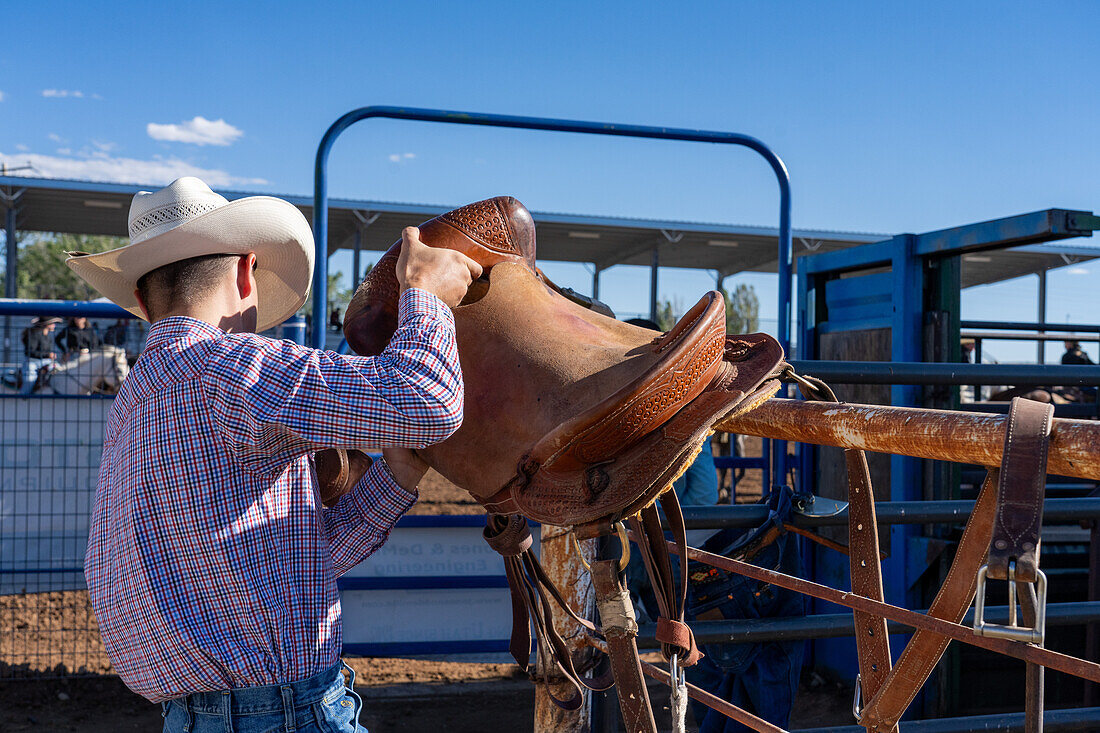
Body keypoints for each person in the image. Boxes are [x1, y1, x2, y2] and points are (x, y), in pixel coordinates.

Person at [67, 177, 481, 733]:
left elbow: (291, 567)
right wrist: (425, 294)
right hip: (284, 713)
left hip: (195, 717)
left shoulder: (136, 402)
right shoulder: (227, 368)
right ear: (246, 271)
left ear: (142, 301)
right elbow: (427, 400)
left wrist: (397, 476)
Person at [19, 316, 61, 393]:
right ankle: (24, 396)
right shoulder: (34, 335)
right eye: (52, 323)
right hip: (32, 362)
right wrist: (48, 355)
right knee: (30, 379)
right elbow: (30, 352)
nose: (54, 325)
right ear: (46, 324)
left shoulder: (48, 337)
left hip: (46, 362)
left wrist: (49, 356)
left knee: (60, 370)